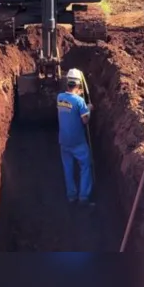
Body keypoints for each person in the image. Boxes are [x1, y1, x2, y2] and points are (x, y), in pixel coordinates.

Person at [57, 68, 95, 207]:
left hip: (64, 141)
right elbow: (85, 120)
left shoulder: (59, 98)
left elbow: (69, 105)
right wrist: (89, 108)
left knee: (68, 168)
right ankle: (83, 197)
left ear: (67, 82)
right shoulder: (80, 102)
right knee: (85, 166)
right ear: (79, 85)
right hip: (78, 142)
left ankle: (71, 196)